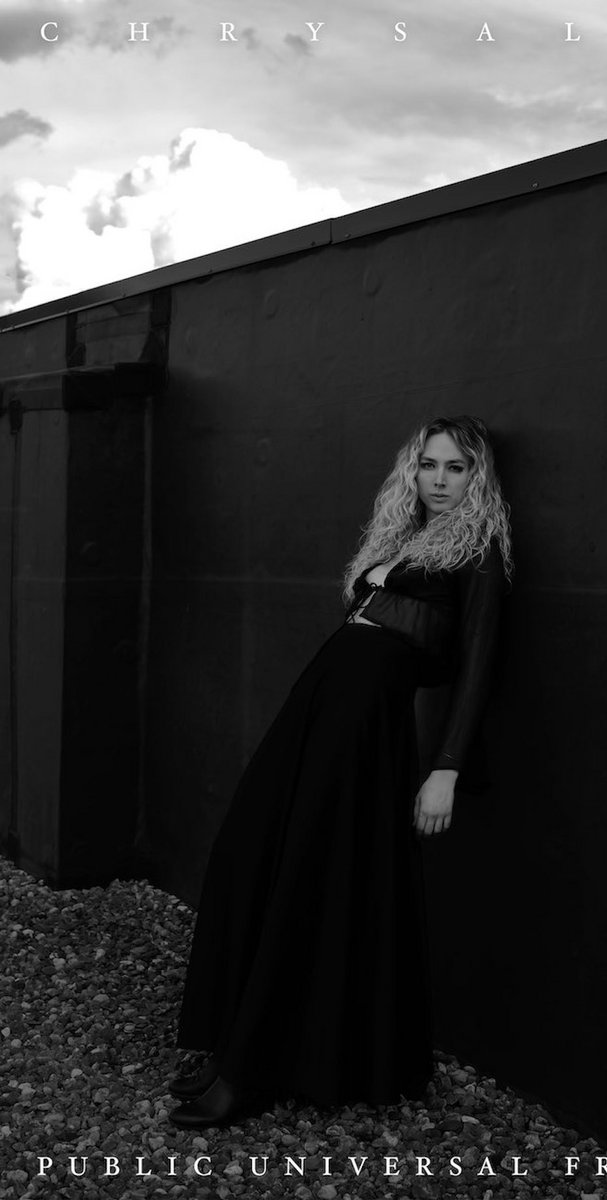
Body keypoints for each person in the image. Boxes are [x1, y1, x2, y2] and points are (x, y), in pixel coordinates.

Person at [168, 414, 514, 1129]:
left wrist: (445, 768)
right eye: (429, 465)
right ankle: (235, 1041)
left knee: (308, 873)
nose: (440, 480)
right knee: (253, 852)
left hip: (363, 730)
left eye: (455, 468)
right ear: (411, 470)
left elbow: (476, 667)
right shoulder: (401, 538)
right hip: (320, 708)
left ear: (476, 476)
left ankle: (250, 1070)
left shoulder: (477, 553)